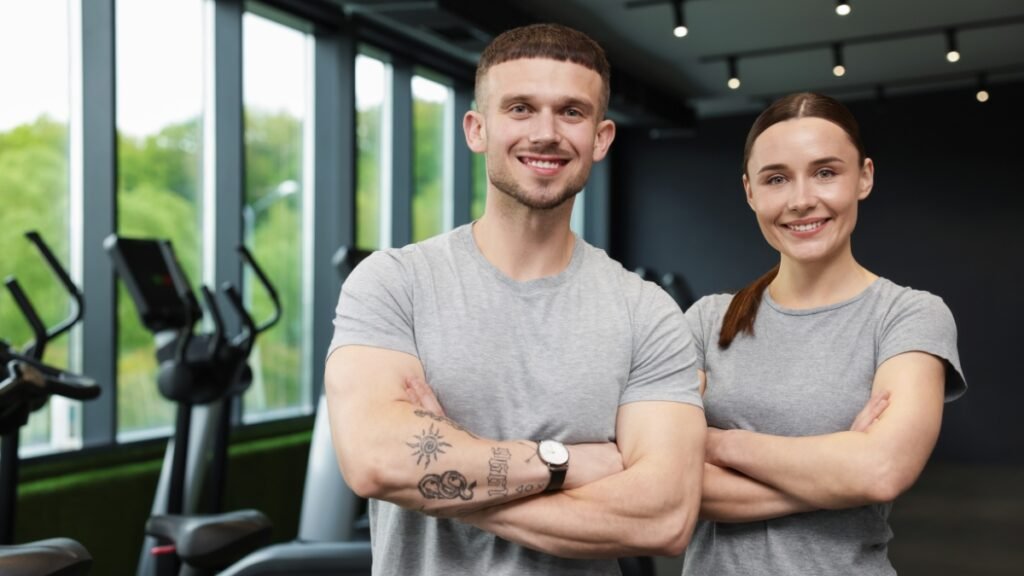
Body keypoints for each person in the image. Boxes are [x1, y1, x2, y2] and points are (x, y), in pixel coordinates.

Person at [324, 23, 706, 575]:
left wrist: (446, 472)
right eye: (521, 109)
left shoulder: (645, 311)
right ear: (477, 129)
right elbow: (377, 463)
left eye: (571, 112)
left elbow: (662, 518)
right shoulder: (393, 281)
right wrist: (567, 463)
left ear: (601, 139)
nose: (546, 133)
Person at [681, 92, 967, 575]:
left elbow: (880, 471)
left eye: (826, 172)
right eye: (776, 179)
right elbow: (662, 480)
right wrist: (835, 470)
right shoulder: (707, 321)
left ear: (865, 177)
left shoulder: (909, 315)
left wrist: (715, 444)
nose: (801, 200)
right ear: (750, 192)